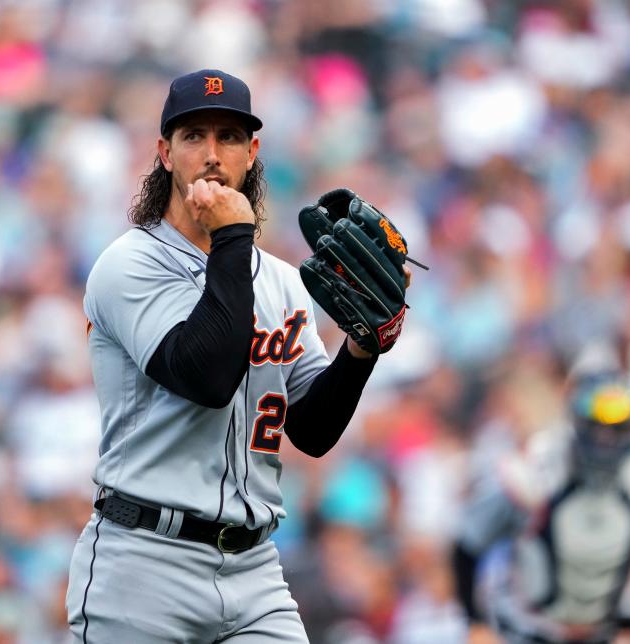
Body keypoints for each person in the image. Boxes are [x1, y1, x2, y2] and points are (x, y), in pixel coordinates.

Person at [65, 68, 404, 643]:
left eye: (228, 137)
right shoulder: (128, 265)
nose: (212, 154)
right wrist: (233, 239)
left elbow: (313, 431)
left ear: (253, 152)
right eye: (194, 136)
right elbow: (208, 376)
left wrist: (362, 350)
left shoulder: (280, 280)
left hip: (253, 572)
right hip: (143, 564)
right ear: (165, 154)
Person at [453, 371, 630, 644]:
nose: (605, 441)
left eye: (615, 430)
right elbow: (467, 544)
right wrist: (476, 623)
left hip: (602, 633)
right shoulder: (537, 473)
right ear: (578, 423)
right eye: (597, 429)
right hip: (527, 630)